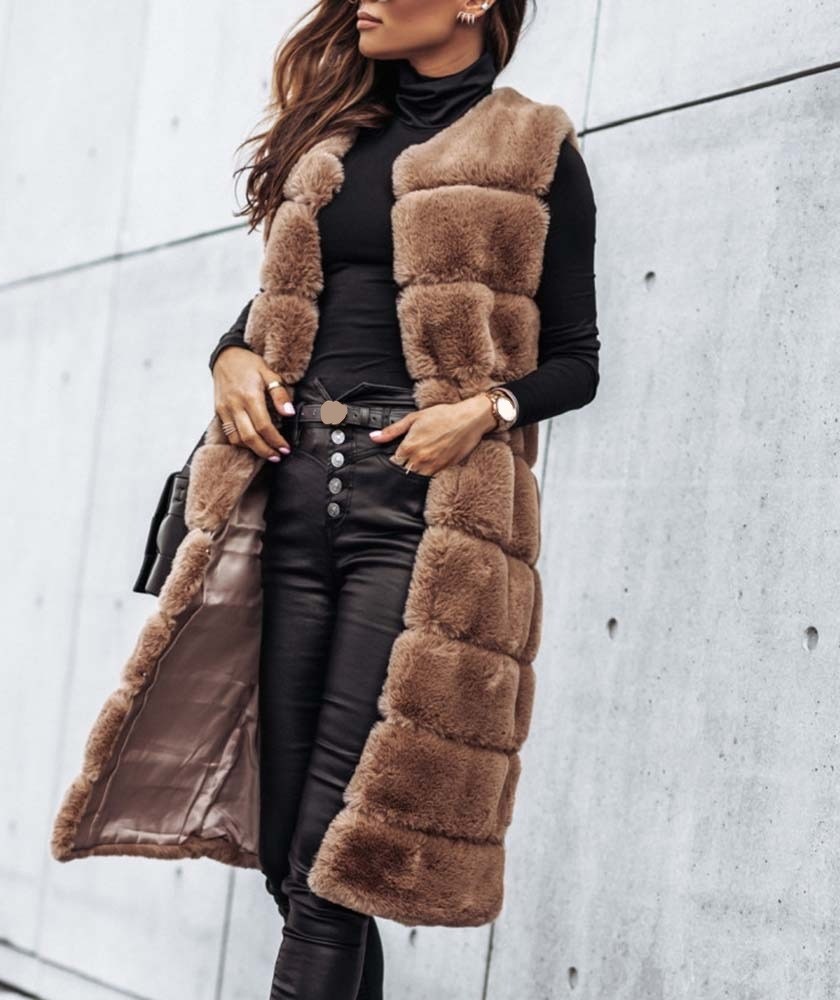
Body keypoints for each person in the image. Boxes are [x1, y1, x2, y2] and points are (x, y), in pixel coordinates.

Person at [209, 2, 599, 997]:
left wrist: (485, 410)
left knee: (333, 862)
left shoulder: (532, 146)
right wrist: (229, 358)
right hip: (293, 495)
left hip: (421, 520)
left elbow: (576, 360)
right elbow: (273, 314)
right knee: (287, 861)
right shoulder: (337, 145)